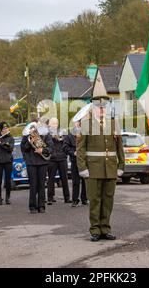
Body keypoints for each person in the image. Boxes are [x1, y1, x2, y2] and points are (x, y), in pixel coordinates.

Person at [77, 94, 125, 242]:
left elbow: (119, 147)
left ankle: (106, 228)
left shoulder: (113, 123)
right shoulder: (86, 124)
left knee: (108, 199)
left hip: (110, 167)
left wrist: (121, 165)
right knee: (95, 200)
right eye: (99, 107)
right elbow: (80, 149)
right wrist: (82, 168)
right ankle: (95, 230)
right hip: (92, 169)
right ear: (93, 108)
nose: (102, 109)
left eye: (104, 107)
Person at [21, 120, 52, 214]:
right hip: (31, 163)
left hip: (42, 162)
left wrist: (42, 150)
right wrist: (30, 142)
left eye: (36, 126)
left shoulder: (45, 135)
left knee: (42, 185)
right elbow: (24, 149)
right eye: (33, 127)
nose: (34, 128)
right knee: (33, 185)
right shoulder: (26, 136)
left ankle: (42, 206)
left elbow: (51, 148)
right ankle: (32, 206)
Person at [46, 118, 71, 205]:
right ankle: (50, 198)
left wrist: (62, 138)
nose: (54, 125)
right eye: (53, 123)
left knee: (64, 178)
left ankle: (67, 197)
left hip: (62, 158)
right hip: (52, 159)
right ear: (49, 124)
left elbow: (66, 142)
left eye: (56, 123)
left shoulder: (62, 131)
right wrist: (51, 137)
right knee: (51, 179)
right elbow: (46, 144)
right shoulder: (47, 133)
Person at [63, 121, 87, 207]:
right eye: (77, 122)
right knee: (75, 181)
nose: (79, 123)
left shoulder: (86, 132)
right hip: (75, 160)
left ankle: (85, 199)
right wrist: (73, 153)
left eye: (80, 122)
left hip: (85, 160)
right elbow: (65, 147)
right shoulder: (69, 134)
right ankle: (75, 200)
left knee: (85, 181)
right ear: (75, 123)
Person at [0, 122, 15, 205]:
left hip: (8, 161)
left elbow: (9, 149)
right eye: (4, 129)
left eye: (7, 128)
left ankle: (7, 197)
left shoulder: (11, 138)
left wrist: (0, 143)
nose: (6, 130)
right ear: (1, 130)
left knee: (8, 180)